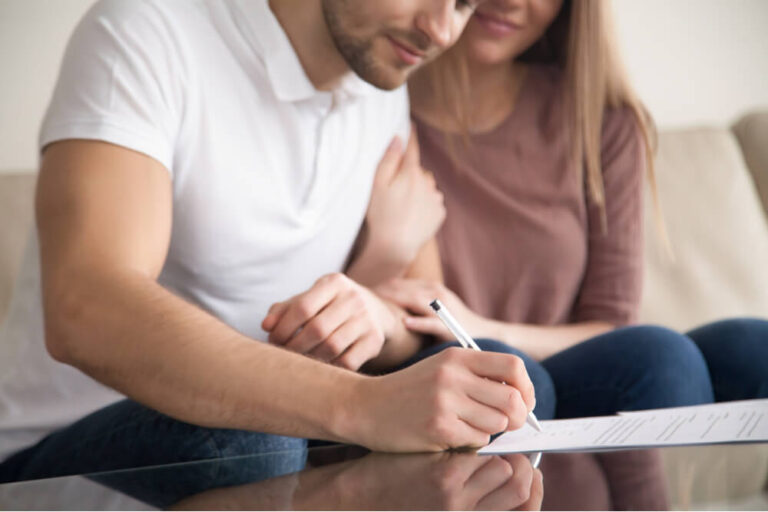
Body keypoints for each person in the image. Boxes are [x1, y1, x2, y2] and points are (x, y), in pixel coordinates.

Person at [0, 0, 540, 483]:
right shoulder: (145, 33)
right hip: (59, 451)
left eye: (465, 4)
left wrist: (375, 310)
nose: (442, 30)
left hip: (286, 427)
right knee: (258, 440)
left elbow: (423, 313)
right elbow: (87, 311)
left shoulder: (380, 83)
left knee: (503, 381)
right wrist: (361, 404)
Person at [340, 0, 766, 508]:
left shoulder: (602, 122)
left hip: (568, 368)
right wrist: (389, 250)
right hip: (451, 374)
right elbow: (411, 311)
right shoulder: (380, 110)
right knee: (515, 376)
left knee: (734, 349)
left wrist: (479, 322)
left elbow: (613, 325)